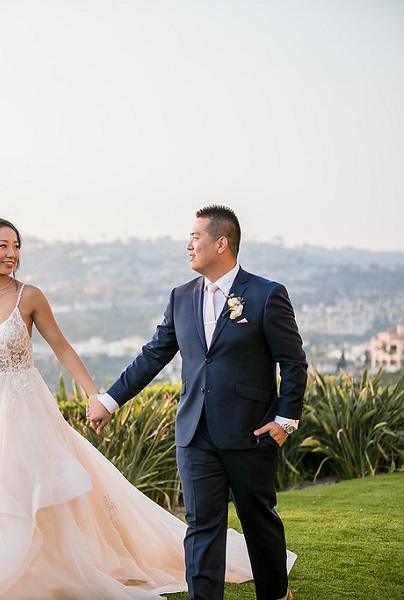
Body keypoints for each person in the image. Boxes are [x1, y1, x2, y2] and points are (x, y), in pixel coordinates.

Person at [0, 218, 273, 600]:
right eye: (3, 246)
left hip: (22, 408)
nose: (12, 253)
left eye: (16, 246)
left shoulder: (29, 296)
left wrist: (95, 395)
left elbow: (62, 347)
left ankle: (39, 566)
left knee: (30, 491)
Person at [89, 205, 306, 600]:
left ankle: (276, 594)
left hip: (251, 432)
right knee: (202, 527)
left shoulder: (265, 295)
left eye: (195, 237)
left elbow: (293, 363)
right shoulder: (181, 297)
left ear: (221, 243)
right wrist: (110, 399)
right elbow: (154, 355)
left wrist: (285, 421)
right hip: (195, 433)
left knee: (258, 521)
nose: (188, 245)